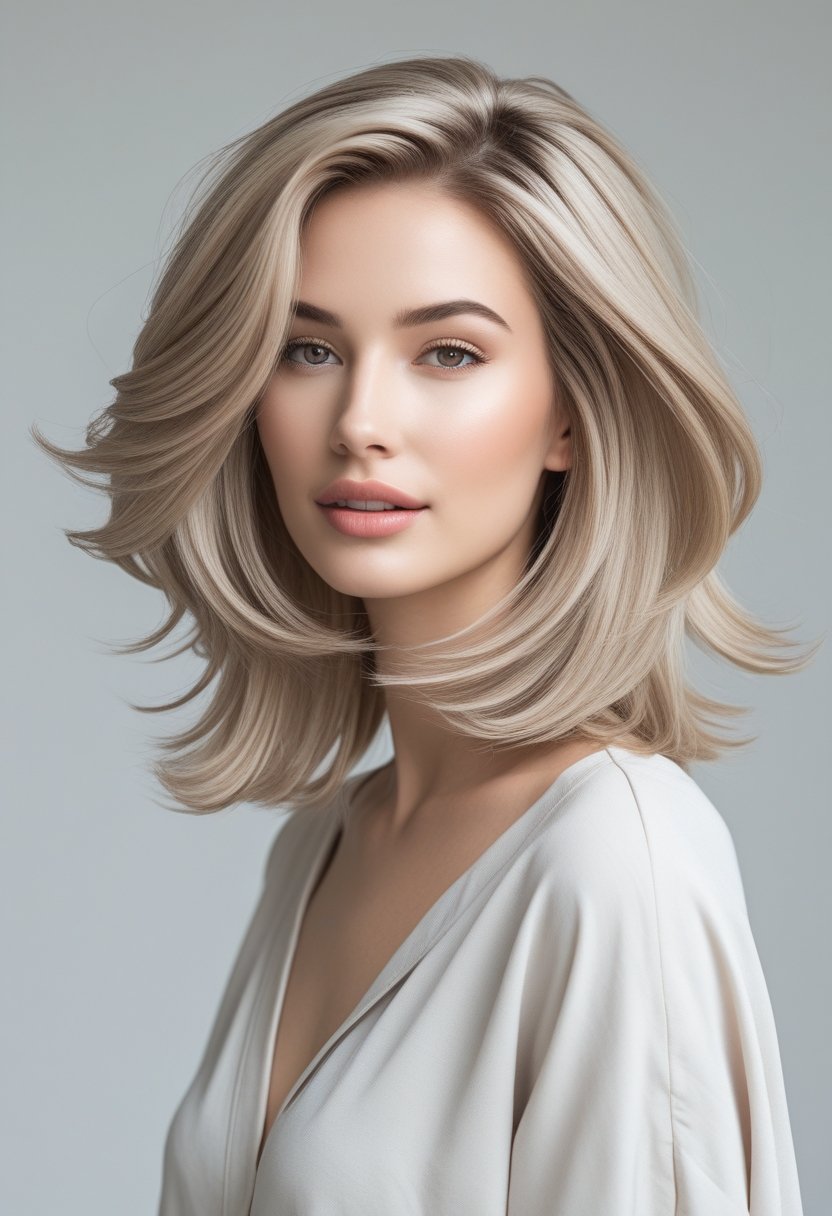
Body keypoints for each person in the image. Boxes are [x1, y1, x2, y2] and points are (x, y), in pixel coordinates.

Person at [33, 54, 814, 1215]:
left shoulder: (614, 864)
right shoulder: (323, 844)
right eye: (309, 349)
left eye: (447, 351)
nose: (360, 421)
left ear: (570, 414)